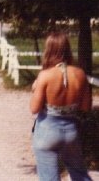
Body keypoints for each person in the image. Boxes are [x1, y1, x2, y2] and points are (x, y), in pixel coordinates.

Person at [30, 32, 92, 181]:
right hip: (71, 131)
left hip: (47, 130)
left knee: (49, 177)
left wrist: (35, 89)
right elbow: (85, 107)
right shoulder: (80, 74)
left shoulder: (45, 75)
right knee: (79, 173)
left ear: (49, 49)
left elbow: (34, 108)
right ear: (67, 49)